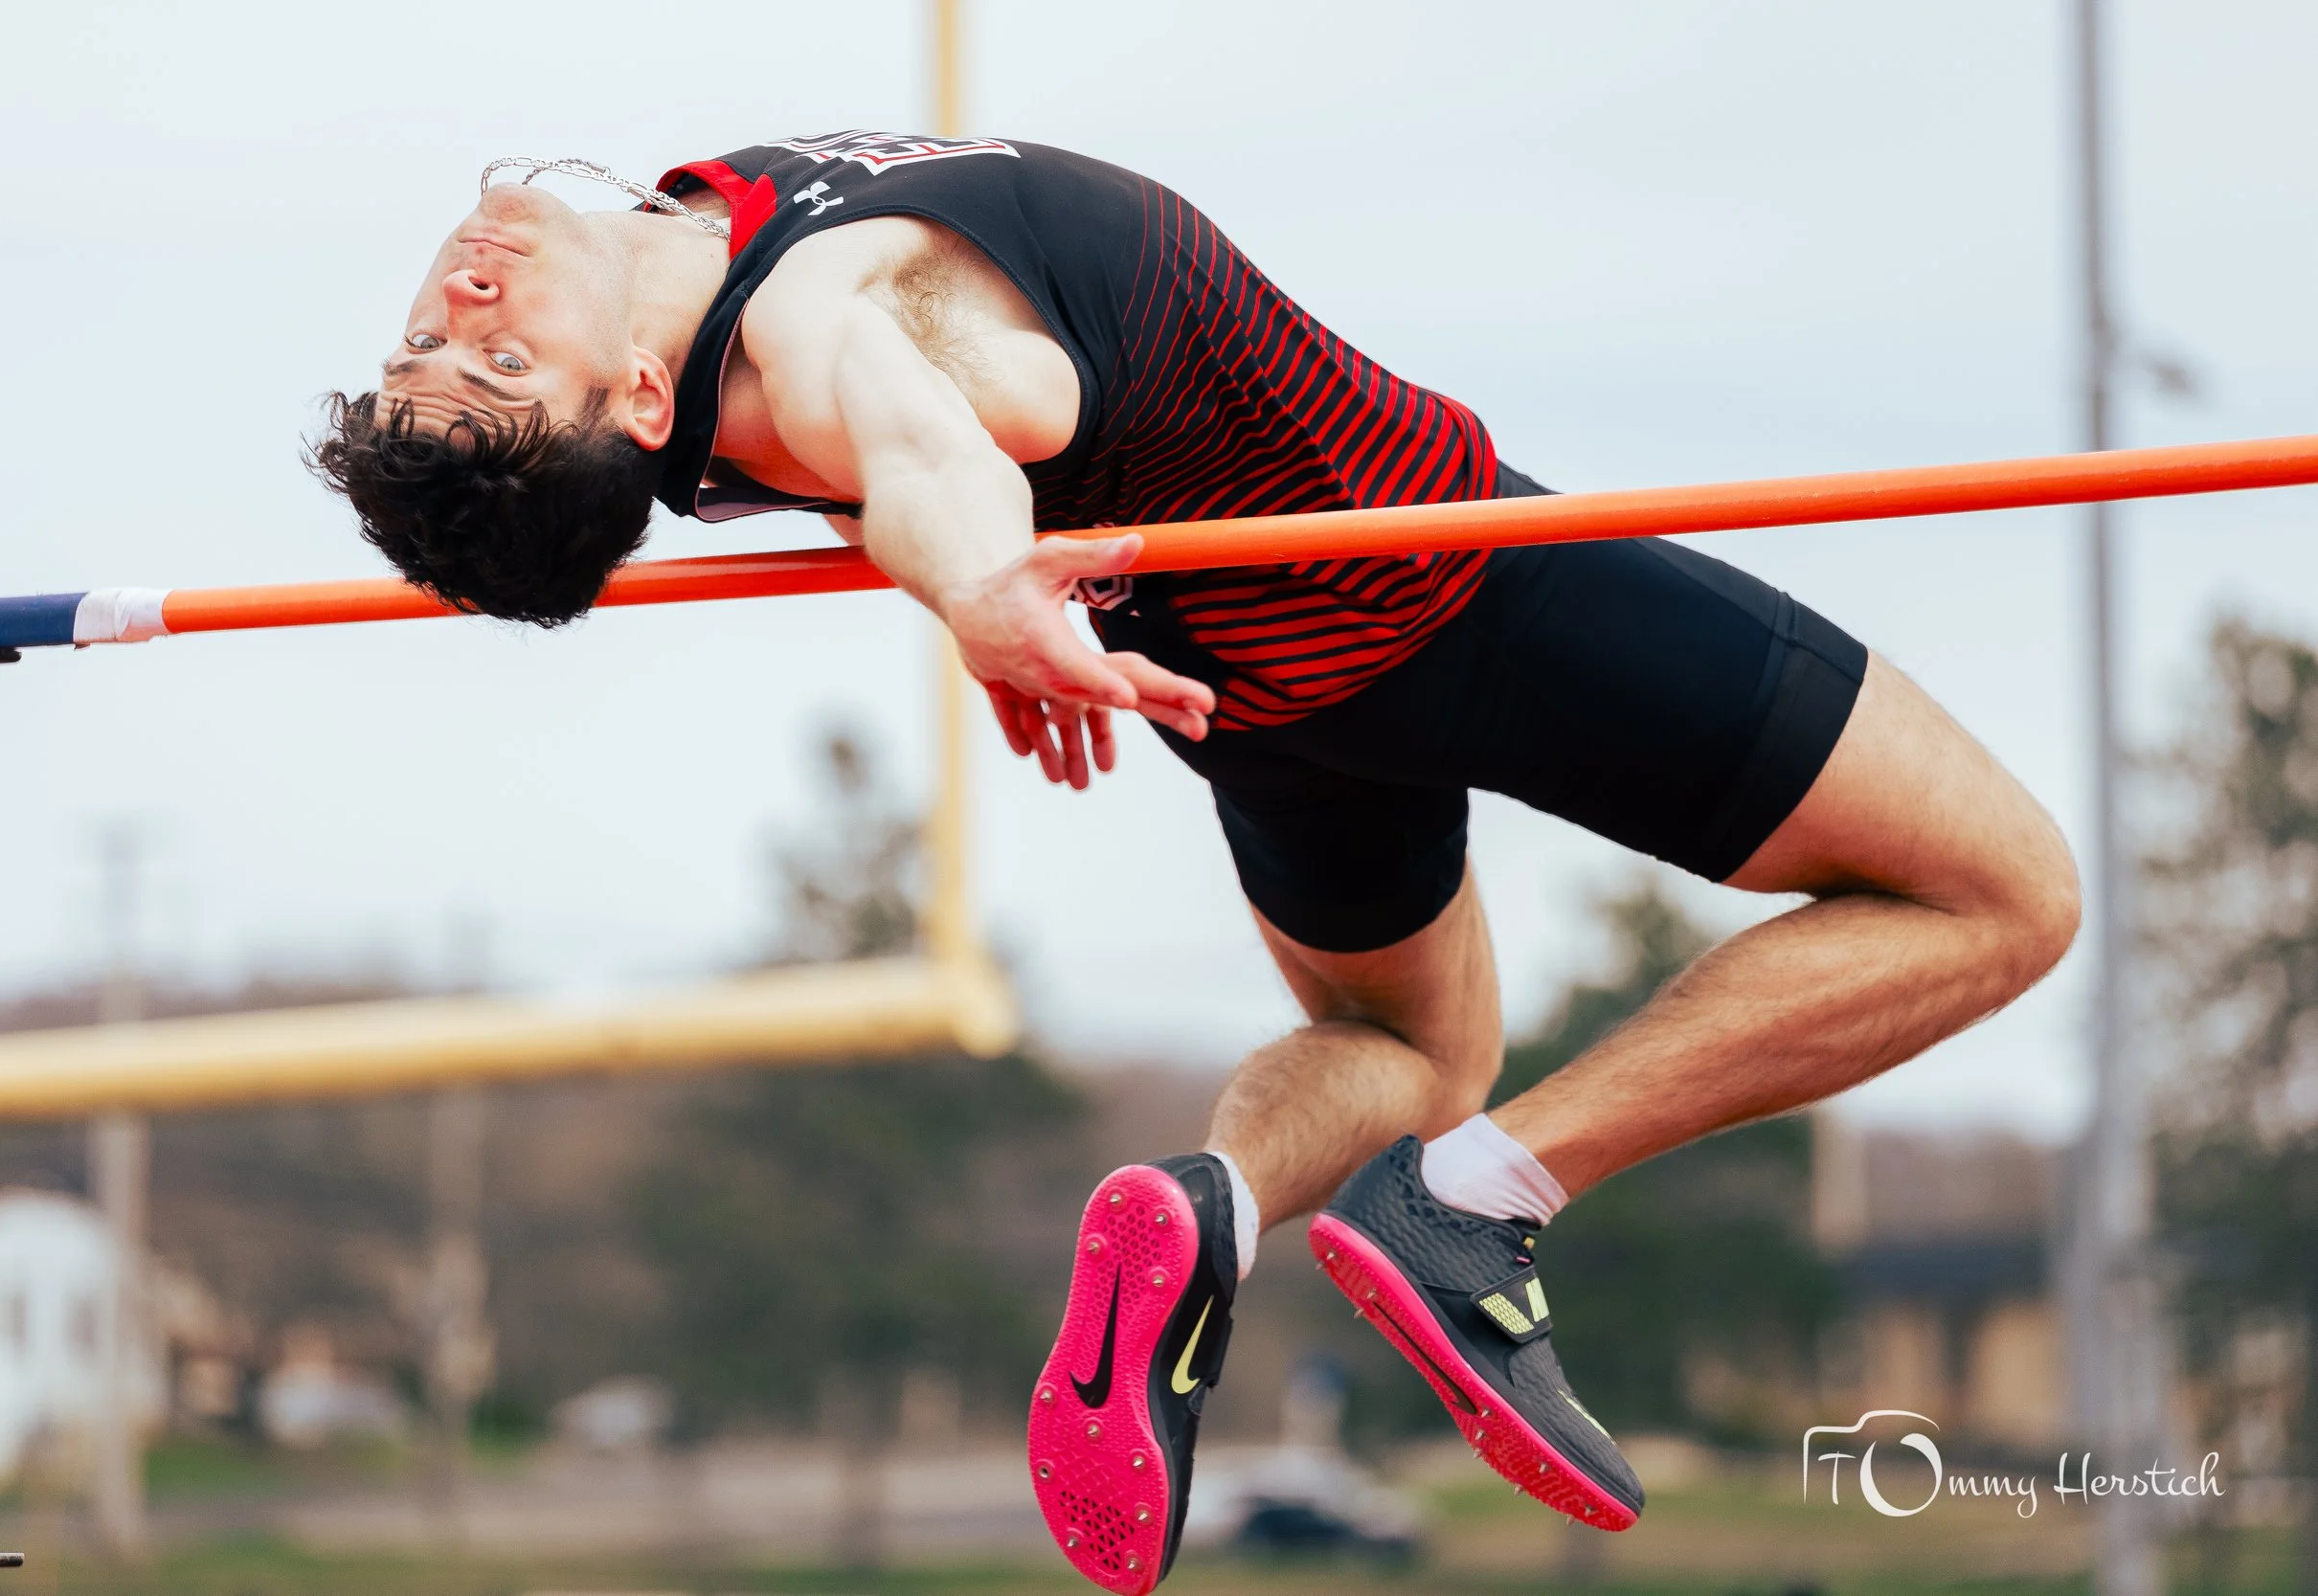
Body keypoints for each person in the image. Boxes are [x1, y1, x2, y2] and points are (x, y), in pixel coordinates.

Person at [311, 132, 2081, 1595]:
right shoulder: (820, 319)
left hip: (1247, 682)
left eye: (435, 346)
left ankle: (1210, 1209)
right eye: (497, 360)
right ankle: (1486, 1203)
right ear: (631, 397)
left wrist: (999, 602)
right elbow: (918, 428)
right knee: (2002, 894)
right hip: (1443, 577)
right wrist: (988, 588)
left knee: (1417, 1056)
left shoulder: (693, 296)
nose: (460, 305)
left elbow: (871, 446)